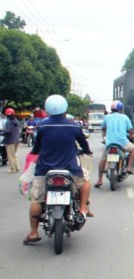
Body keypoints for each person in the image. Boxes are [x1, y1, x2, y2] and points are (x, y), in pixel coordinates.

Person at [23, 95, 93, 244]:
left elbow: (36, 148)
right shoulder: (74, 126)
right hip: (70, 169)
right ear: (65, 108)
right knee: (85, 183)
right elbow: (83, 144)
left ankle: (34, 232)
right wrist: (87, 151)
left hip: (45, 170)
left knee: (37, 199)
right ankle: (82, 208)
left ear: (47, 109)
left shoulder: (42, 126)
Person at [94, 100, 134, 188]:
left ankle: (100, 180)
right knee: (133, 149)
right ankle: (128, 167)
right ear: (121, 109)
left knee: (103, 159)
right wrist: (132, 135)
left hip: (110, 144)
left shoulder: (107, 117)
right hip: (122, 143)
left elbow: (104, 129)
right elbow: (131, 130)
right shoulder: (125, 117)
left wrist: (104, 136)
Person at [0, 108, 20, 173]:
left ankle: (13, 169)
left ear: (7, 114)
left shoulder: (8, 121)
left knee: (10, 156)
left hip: (10, 141)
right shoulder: (16, 120)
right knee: (14, 155)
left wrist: (1, 133)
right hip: (16, 140)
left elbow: (8, 131)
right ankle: (17, 168)